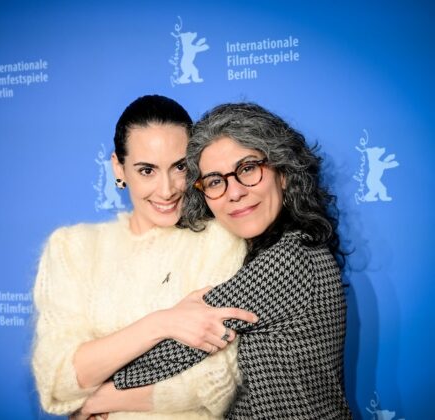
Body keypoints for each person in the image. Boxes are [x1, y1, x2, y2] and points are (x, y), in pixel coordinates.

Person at [112, 103, 353, 419]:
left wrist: (93, 399)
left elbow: (164, 356)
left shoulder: (289, 259)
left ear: (283, 173)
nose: (234, 192)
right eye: (215, 181)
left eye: (248, 169)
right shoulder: (261, 253)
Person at [31, 95, 258, 419]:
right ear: (118, 168)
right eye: (147, 170)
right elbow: (56, 378)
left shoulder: (220, 239)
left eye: (179, 166)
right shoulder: (72, 248)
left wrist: (97, 400)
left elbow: (214, 380)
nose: (166, 190)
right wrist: (160, 324)